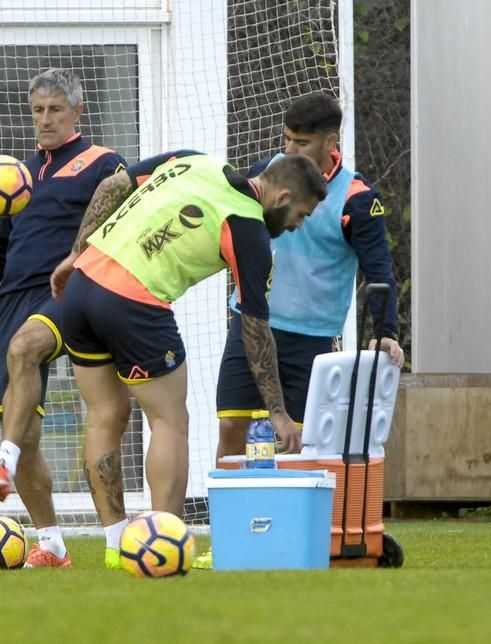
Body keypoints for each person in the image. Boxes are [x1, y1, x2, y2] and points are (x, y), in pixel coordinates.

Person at [49, 150, 327, 568]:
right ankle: (163, 545)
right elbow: (255, 329)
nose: (297, 226)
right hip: (133, 304)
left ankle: (114, 545)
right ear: (283, 196)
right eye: (301, 215)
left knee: (104, 416)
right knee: (170, 421)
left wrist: (75, 252)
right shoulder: (249, 228)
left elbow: (112, 185)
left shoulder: (197, 161)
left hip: (83, 282)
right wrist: (278, 413)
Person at [191, 93, 404, 570]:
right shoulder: (267, 174)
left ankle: (298, 540)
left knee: (303, 445)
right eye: (285, 139)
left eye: (301, 142)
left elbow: (379, 269)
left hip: (312, 342)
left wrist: (387, 330)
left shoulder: (356, 197)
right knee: (231, 426)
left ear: (331, 142)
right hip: (251, 325)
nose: (289, 150)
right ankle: (223, 541)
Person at [0, 68, 126, 568]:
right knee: (24, 430)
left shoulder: (105, 163)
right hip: (15, 297)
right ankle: (51, 543)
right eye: (38, 110)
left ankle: (1, 465)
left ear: (79, 111)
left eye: (56, 109)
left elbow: (120, 228)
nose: (46, 119)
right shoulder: (13, 175)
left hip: (74, 289)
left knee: (26, 349)